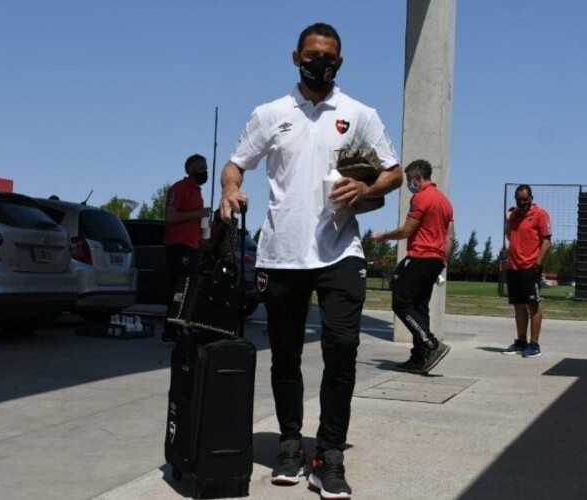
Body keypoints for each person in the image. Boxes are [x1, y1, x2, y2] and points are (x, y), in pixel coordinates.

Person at [218, 22, 402, 500]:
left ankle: (331, 454)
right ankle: (290, 444)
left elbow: (395, 172)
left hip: (340, 251)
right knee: (285, 356)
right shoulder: (270, 114)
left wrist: (366, 187)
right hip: (281, 254)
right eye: (312, 55)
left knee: (341, 349)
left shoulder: (359, 113)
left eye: (329, 58)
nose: (320, 63)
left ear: (339, 63)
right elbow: (237, 164)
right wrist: (231, 188)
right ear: (295, 57)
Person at [372, 159, 454, 375]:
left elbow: (406, 231)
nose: (409, 184)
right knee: (419, 306)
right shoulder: (445, 202)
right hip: (436, 259)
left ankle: (431, 344)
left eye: (409, 180)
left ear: (418, 178)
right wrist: (442, 262)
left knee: (400, 302)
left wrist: (384, 236)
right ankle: (419, 358)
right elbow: (449, 238)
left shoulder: (421, 198)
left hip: (420, 256)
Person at [162, 153, 211, 343]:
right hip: (178, 245)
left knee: (189, 289)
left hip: (193, 245)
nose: (204, 172)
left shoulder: (198, 191)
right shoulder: (179, 188)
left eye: (206, 168)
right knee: (179, 288)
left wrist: (204, 236)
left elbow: (195, 221)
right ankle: (171, 330)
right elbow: (170, 216)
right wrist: (198, 213)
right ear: (191, 169)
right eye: (201, 168)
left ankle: (182, 325)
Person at [503, 184, 551, 357]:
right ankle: (521, 341)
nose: (522, 202)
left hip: (530, 267)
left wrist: (537, 264)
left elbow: (547, 241)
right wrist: (508, 220)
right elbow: (510, 236)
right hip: (514, 267)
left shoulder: (540, 214)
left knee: (533, 306)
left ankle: (534, 344)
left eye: (525, 199)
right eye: (519, 199)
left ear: (531, 198)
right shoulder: (515, 215)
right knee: (518, 305)